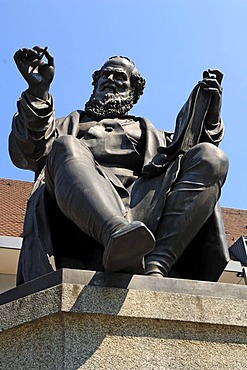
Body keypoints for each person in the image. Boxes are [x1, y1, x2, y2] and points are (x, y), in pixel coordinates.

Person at [9, 46, 229, 285]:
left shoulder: (154, 135)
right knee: (66, 145)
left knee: (212, 157)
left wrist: (210, 113)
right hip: (77, 215)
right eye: (105, 75)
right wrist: (38, 92)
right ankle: (117, 234)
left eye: (119, 77)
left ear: (133, 91)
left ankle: (156, 264)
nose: (110, 80)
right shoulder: (66, 128)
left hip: (148, 204)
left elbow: (193, 159)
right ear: (95, 83)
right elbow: (27, 153)